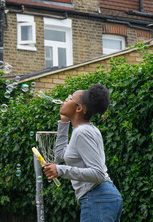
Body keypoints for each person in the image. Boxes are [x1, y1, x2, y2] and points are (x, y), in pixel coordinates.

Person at [42, 84, 123, 222]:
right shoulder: (83, 130)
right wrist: (63, 123)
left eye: (70, 98)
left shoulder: (82, 132)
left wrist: (60, 170)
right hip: (102, 198)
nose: (65, 100)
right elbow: (60, 156)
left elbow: (98, 173)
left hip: (98, 197)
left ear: (79, 108)